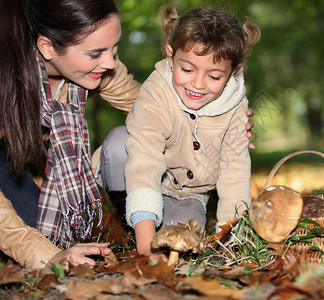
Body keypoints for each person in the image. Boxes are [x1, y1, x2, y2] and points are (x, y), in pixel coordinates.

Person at [0, 0, 254, 269]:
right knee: (33, 247)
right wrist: (41, 254)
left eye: (114, 48)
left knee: (46, 231)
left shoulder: (102, 67)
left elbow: (149, 111)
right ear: (47, 48)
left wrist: (216, 124)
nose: (110, 62)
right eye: (96, 53)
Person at [100, 5, 260, 257]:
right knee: (120, 142)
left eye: (215, 76)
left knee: (183, 243)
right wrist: (145, 244)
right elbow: (144, 158)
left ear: (233, 72)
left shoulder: (236, 107)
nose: (197, 84)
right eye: (187, 70)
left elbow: (235, 170)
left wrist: (232, 238)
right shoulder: (156, 90)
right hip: (140, 174)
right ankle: (137, 221)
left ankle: (163, 220)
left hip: (189, 193)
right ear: (170, 57)